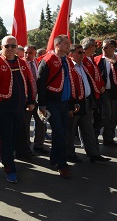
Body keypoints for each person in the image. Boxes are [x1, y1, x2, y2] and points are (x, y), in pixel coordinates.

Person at [0, 35, 35, 183]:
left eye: (13, 46)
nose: (11, 49)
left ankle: (7, 159)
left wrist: (31, 100)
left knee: (15, 137)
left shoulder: (22, 63)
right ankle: (9, 168)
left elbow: (29, 81)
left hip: (19, 107)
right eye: (7, 46)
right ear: (2, 47)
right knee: (5, 139)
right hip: (3, 108)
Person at [37, 34, 83, 179]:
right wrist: (42, 104)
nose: (68, 45)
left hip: (64, 103)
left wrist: (73, 102)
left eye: (68, 43)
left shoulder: (68, 61)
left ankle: (54, 159)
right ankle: (62, 165)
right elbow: (40, 83)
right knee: (59, 132)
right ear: (57, 45)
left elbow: (70, 83)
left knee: (61, 133)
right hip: (52, 103)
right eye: (65, 43)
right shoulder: (47, 60)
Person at [66, 44, 111, 163]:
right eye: (79, 52)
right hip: (75, 103)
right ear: (71, 54)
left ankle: (93, 154)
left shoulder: (83, 66)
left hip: (87, 101)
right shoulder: (69, 67)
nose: (82, 55)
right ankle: (69, 154)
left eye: (83, 52)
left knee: (88, 129)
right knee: (71, 130)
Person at [94, 38, 117, 147]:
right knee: (105, 115)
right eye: (102, 47)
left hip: (116, 91)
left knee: (114, 116)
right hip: (103, 92)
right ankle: (94, 136)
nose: (103, 49)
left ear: (113, 48)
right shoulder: (97, 59)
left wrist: (116, 63)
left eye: (105, 47)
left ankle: (109, 138)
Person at [22, 45, 49, 155]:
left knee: (41, 123)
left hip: (38, 99)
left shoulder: (38, 63)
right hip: (26, 100)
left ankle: (39, 145)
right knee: (25, 125)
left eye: (30, 53)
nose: (28, 55)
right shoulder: (21, 64)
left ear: (35, 54)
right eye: (26, 52)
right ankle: (25, 147)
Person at [80, 38, 106, 142]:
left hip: (98, 93)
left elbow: (98, 75)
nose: (96, 47)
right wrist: (98, 88)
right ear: (90, 47)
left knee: (98, 118)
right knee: (90, 121)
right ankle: (89, 142)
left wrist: (102, 85)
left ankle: (93, 140)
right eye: (95, 46)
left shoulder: (91, 58)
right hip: (91, 94)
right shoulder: (83, 59)